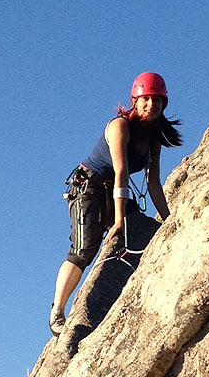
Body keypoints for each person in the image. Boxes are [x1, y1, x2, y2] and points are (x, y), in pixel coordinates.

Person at [49, 71, 183, 335]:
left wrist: (170, 220)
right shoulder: (120, 126)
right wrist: (118, 220)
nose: (151, 105)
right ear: (135, 100)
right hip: (88, 187)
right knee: (84, 248)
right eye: (146, 99)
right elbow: (121, 172)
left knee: (139, 226)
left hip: (111, 189)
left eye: (157, 101)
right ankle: (57, 311)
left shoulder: (153, 136)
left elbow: (153, 182)